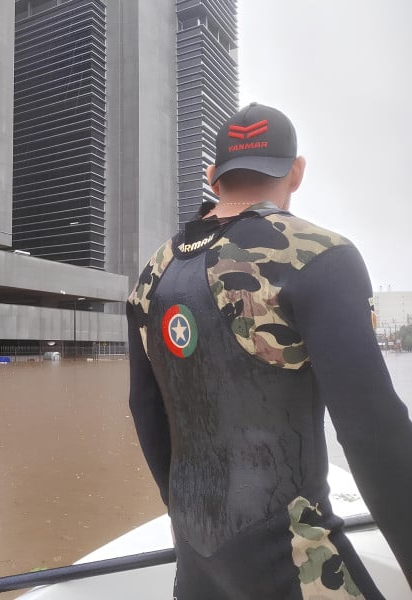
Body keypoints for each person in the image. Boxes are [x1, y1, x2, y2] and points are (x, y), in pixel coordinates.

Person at [126, 102, 412, 599]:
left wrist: (182, 515)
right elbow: (372, 432)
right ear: (296, 172)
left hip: (197, 567)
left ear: (213, 177)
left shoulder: (151, 275)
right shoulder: (317, 255)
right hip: (294, 567)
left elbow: (145, 409)